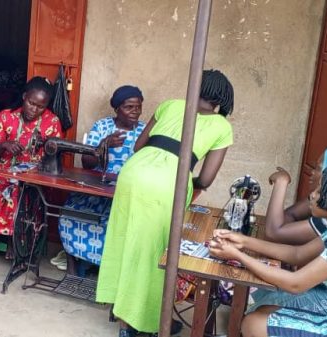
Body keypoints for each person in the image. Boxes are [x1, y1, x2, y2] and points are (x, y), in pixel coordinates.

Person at [96, 70, 235, 337]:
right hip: (168, 183)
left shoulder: (171, 105)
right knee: (155, 254)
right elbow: (205, 178)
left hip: (133, 173)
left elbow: (139, 145)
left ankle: (123, 313)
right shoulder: (222, 127)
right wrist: (178, 175)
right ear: (222, 99)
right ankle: (141, 325)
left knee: (124, 241)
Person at [210, 160, 327, 337]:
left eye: (321, 192)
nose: (312, 195)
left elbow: (295, 284)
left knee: (254, 323)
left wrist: (237, 255)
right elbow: (297, 254)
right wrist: (243, 242)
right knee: (265, 310)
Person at [246, 144, 327, 317]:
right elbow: (293, 238)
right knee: (264, 299)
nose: (312, 173)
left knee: (258, 315)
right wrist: (242, 242)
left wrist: (282, 182)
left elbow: (274, 232)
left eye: (318, 168)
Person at [55, 85, 146, 271]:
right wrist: (104, 144)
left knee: (114, 223)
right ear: (117, 109)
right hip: (95, 189)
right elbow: (87, 162)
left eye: (138, 107)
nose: (134, 111)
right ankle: (73, 267)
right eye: (129, 107)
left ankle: (106, 268)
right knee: (68, 214)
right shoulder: (102, 126)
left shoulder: (145, 132)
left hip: (127, 192)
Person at [0, 76, 62, 258]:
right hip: (5, 168)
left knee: (20, 196)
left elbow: (56, 154)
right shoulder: (6, 116)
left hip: (35, 173)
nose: (34, 109)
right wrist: (4, 145)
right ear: (24, 97)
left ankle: (12, 238)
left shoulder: (52, 123)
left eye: (40, 106)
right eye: (31, 103)